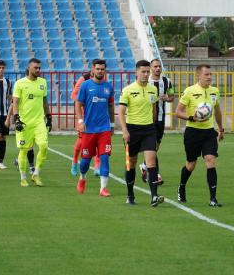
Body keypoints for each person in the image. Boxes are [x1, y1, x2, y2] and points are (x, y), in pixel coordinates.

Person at [175, 64, 225, 207]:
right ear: (198, 76)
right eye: (206, 75)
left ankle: (213, 199)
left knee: (210, 160)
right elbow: (178, 112)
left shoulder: (215, 91)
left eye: (210, 74)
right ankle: (182, 186)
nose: (209, 77)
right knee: (191, 164)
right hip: (193, 132)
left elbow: (217, 112)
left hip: (209, 132)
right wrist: (192, 117)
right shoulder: (189, 91)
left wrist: (220, 128)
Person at [118, 59, 164, 207]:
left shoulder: (153, 89)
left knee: (151, 162)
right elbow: (121, 112)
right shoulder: (128, 90)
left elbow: (154, 108)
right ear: (136, 72)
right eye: (143, 72)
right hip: (132, 130)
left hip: (149, 129)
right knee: (131, 164)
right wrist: (124, 131)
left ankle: (154, 196)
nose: (145, 74)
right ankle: (130, 194)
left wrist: (154, 128)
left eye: (147, 72)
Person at [75, 59, 114, 197]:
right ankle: (82, 178)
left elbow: (110, 106)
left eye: (102, 69)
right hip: (89, 130)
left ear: (105, 70)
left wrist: (112, 124)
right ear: (92, 69)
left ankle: (103, 188)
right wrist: (80, 121)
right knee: (85, 161)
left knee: (104, 157)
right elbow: (78, 104)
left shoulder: (109, 87)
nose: (100, 71)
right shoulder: (85, 86)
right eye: (97, 69)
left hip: (104, 129)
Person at [12, 58, 52, 187]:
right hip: (24, 123)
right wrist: (16, 118)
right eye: (36, 68)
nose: (38, 70)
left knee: (44, 146)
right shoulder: (20, 83)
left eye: (39, 68)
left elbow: (45, 101)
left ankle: (36, 174)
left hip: (39, 122)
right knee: (24, 150)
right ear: (29, 68)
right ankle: (23, 178)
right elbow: (15, 102)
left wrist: (49, 117)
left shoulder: (43, 82)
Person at [139, 58, 174, 185]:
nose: (158, 69)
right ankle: (156, 174)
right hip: (148, 120)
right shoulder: (146, 81)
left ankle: (144, 165)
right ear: (151, 68)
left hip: (160, 119)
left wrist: (167, 98)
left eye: (159, 66)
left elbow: (171, 97)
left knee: (156, 147)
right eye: (155, 66)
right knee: (152, 147)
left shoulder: (167, 81)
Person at [5, 68, 36, 175]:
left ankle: (26, 165)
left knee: (30, 145)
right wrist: (8, 118)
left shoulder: (35, 88)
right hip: (22, 121)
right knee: (26, 146)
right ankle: (29, 166)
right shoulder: (21, 87)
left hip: (34, 121)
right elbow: (13, 105)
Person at [70, 70, 100, 177]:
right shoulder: (83, 79)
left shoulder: (102, 79)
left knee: (99, 141)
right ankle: (74, 162)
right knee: (82, 142)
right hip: (84, 116)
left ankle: (97, 167)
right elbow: (73, 95)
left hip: (97, 115)